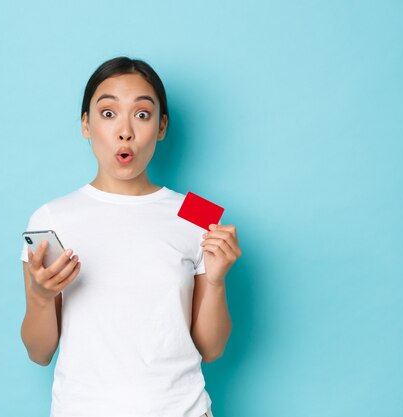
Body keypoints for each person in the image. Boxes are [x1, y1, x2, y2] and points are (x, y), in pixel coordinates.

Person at [20, 56, 241, 417]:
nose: (125, 131)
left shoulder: (198, 212)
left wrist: (216, 281)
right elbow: (39, 352)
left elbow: (211, 349)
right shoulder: (51, 217)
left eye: (142, 114)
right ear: (85, 125)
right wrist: (42, 297)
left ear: (162, 126)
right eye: (108, 114)